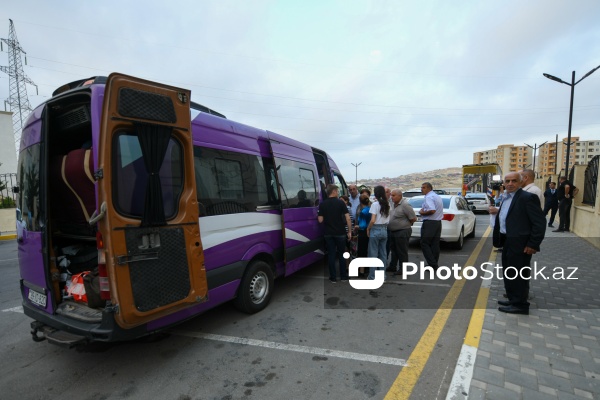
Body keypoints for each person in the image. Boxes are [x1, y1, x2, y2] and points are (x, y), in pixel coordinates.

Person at [491, 172, 546, 314]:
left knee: (519, 274)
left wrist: (533, 244)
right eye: (507, 181)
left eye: (514, 181)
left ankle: (520, 305)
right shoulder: (506, 197)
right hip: (507, 240)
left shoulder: (527, 198)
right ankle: (513, 299)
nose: (510, 184)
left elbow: (539, 223)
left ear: (521, 182)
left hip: (521, 243)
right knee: (509, 272)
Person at [318, 184, 352, 283]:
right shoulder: (341, 203)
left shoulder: (323, 204)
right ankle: (343, 277)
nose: (337, 193)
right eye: (337, 191)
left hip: (328, 233)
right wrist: (349, 231)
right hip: (340, 232)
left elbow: (320, 220)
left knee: (331, 255)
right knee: (342, 255)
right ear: (333, 191)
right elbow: (348, 218)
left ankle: (333, 277)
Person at [388, 189, 417, 274]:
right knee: (394, 250)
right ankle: (393, 266)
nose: (391, 197)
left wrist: (404, 225)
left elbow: (413, 218)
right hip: (393, 231)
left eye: (393, 195)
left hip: (402, 231)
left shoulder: (405, 205)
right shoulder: (393, 204)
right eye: (391, 195)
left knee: (402, 251)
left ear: (400, 196)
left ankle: (402, 269)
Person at [367, 186, 390, 281]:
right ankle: (382, 276)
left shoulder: (375, 204)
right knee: (383, 254)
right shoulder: (387, 204)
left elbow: (372, 220)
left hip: (375, 229)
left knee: (373, 254)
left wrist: (368, 229)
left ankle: (372, 276)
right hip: (384, 229)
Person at [419, 182, 444, 270]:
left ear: (429, 188)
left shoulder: (429, 197)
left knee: (424, 243)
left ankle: (432, 263)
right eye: (421, 187)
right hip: (437, 222)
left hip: (430, 222)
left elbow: (432, 210)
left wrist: (422, 212)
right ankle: (434, 263)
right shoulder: (437, 196)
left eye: (424, 187)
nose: (422, 189)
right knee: (435, 244)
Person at [355, 193, 371, 277]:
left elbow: (363, 225)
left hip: (363, 232)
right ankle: (365, 269)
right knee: (367, 251)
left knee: (362, 252)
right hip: (370, 232)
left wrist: (356, 226)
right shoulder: (370, 209)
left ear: (360, 201)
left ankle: (361, 271)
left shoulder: (363, 211)